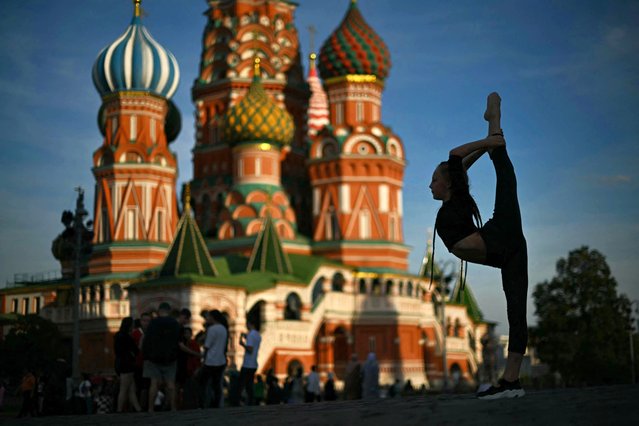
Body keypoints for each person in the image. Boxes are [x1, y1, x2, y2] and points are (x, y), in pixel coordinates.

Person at [429, 92, 527, 399]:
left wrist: (490, 144)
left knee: (506, 178)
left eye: (434, 180)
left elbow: (456, 154)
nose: (430, 185)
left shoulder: (451, 206)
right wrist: (489, 144)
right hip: (505, 250)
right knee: (515, 310)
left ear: (445, 184)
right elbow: (460, 166)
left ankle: (494, 123)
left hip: (500, 237)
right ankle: (510, 383)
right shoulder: (452, 202)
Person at [142, 302, 181, 412]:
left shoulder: (153, 323)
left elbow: (147, 340)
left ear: (159, 311)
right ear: (169, 311)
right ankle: (173, 408)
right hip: (171, 358)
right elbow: (178, 341)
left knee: (154, 384)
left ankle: (150, 409)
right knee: (170, 384)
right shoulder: (175, 323)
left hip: (154, 358)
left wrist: (147, 355)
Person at [201, 309, 228, 408]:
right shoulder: (223, 328)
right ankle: (217, 405)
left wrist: (203, 359)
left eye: (208, 316)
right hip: (220, 361)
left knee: (204, 384)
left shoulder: (212, 329)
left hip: (210, 361)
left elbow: (207, 346)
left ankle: (205, 404)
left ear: (212, 317)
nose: (207, 318)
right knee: (217, 386)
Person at [114, 317, 142, 412]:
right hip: (127, 364)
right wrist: (141, 342)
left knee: (131, 389)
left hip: (120, 363)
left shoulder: (118, 335)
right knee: (124, 388)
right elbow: (136, 350)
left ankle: (138, 409)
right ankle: (119, 410)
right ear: (129, 325)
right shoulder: (127, 337)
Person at [238, 319, 261, 405]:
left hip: (247, 364)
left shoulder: (251, 334)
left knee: (241, 384)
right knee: (249, 384)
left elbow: (250, 349)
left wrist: (242, 344)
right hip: (254, 364)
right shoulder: (257, 335)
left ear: (250, 324)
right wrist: (245, 336)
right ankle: (251, 402)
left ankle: (239, 402)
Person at [131, 312, 151, 410]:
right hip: (137, 364)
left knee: (146, 386)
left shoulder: (152, 333)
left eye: (148, 321)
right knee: (138, 386)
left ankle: (144, 406)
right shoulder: (135, 333)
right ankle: (138, 406)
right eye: (144, 321)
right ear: (140, 321)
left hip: (148, 363)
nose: (146, 323)